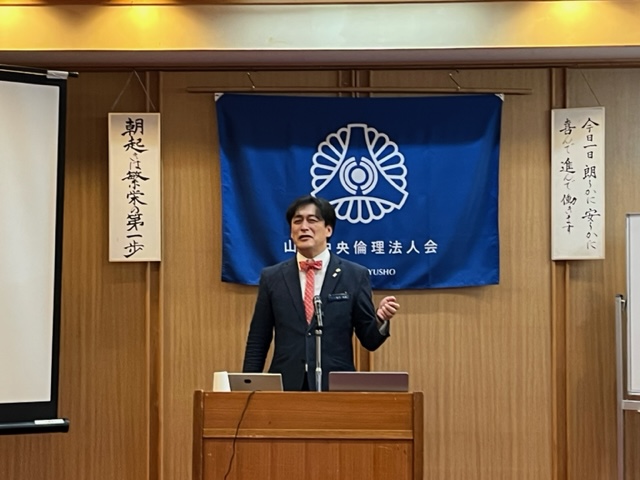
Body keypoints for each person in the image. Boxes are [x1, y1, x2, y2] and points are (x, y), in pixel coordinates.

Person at [242, 195, 400, 391]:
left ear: (328, 229)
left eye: (312, 220)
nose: (304, 227)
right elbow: (258, 338)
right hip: (287, 385)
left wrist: (380, 319)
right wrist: (246, 388)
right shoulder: (272, 277)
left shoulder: (354, 275)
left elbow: (370, 341)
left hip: (336, 386)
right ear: (291, 231)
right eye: (297, 221)